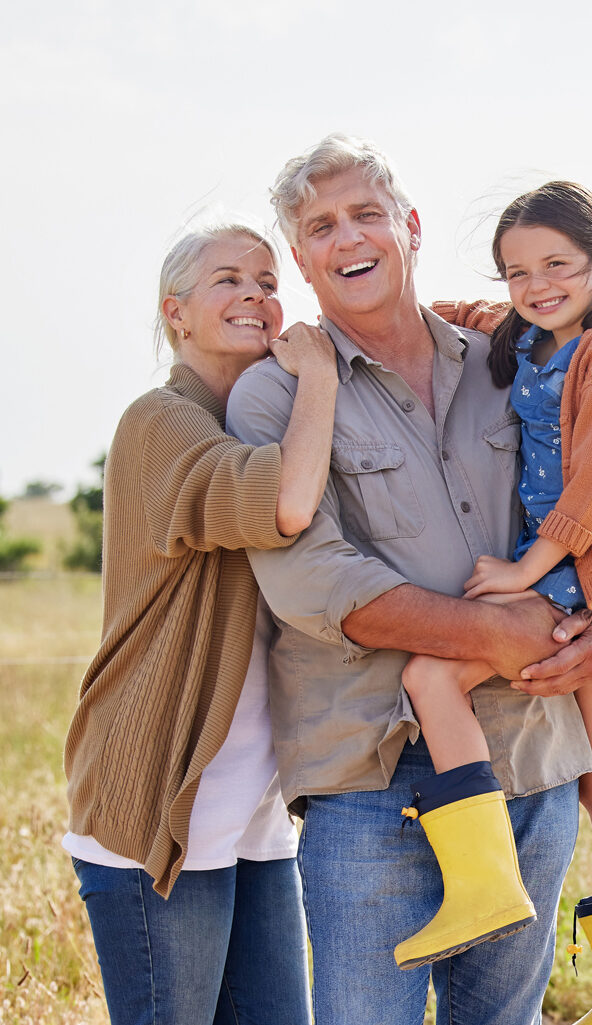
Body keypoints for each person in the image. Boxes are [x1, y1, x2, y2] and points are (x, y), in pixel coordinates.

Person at [225, 135, 592, 1025]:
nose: (347, 237)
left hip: (530, 761)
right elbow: (314, 581)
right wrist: (494, 633)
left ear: (407, 225)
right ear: (300, 257)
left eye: (366, 213)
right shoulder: (276, 395)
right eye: (321, 226)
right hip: (367, 781)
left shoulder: (512, 354)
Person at [402, 182, 592, 1025]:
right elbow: (456, 315)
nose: (535, 285)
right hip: (580, 576)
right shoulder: (529, 334)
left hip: (575, 571)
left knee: (430, 674)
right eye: (515, 271)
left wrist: (528, 570)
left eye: (556, 265)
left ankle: (485, 884)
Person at [63, 221, 338, 1025]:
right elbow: (284, 504)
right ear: (174, 312)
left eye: (265, 278)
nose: (256, 293)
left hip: (249, 807)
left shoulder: (260, 421)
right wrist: (318, 373)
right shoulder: (159, 421)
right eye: (229, 279)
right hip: (160, 806)